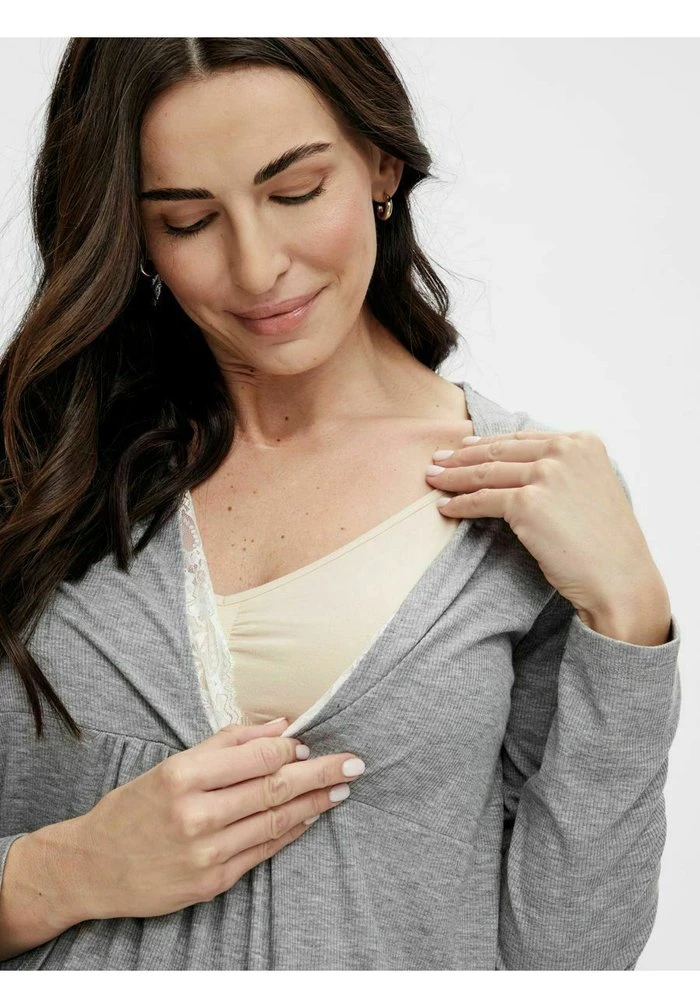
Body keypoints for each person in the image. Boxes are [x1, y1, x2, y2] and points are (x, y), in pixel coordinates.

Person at [0, 38, 681, 970]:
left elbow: (571, 964)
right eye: (189, 221)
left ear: (380, 164)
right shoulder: (35, 473)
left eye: (295, 192)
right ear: (135, 234)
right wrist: (61, 873)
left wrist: (632, 620)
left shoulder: (534, 501)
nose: (256, 268)